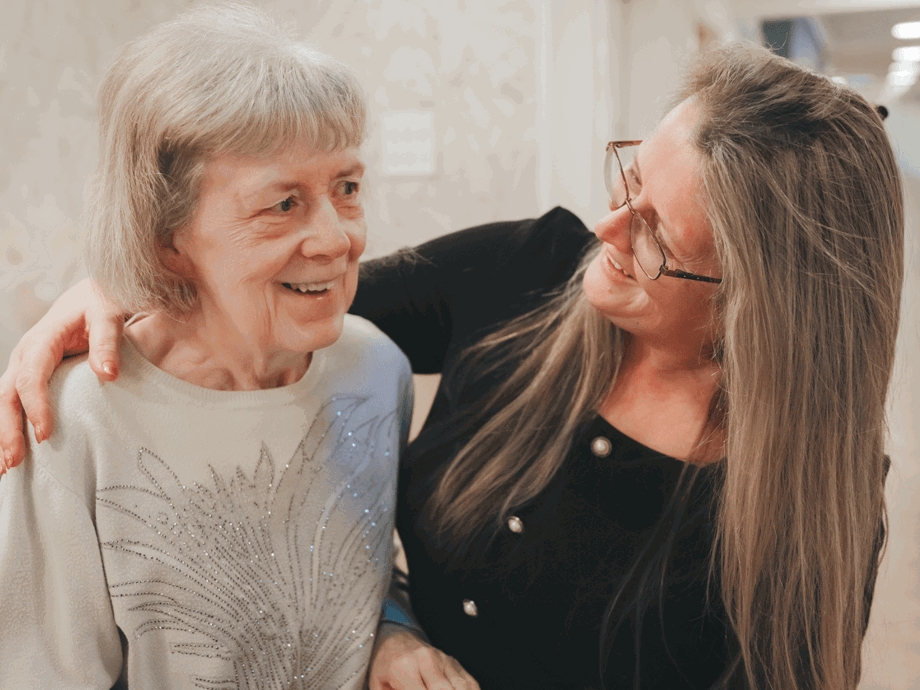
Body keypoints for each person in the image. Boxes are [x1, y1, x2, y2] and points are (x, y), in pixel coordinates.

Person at [0, 42, 903, 690]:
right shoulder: (528, 271)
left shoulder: (807, 487)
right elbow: (285, 291)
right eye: (631, 182)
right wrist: (119, 281)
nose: (607, 231)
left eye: (658, 235)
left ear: (764, 304)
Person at [0, 4, 417, 689]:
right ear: (168, 236)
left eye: (345, 188)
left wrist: (400, 636)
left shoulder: (374, 368)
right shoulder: (73, 420)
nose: (338, 240)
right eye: (282, 203)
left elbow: (369, 576)